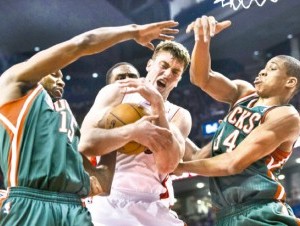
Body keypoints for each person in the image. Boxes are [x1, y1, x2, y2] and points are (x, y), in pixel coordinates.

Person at [0, 20, 180, 225]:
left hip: (75, 210)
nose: (61, 80)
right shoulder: (13, 84)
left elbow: (101, 184)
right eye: (54, 74)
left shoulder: (67, 121)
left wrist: (120, 131)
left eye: (62, 76)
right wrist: (133, 31)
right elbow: (83, 43)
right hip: (29, 203)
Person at [175, 15, 300, 225]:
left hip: (261, 212)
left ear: (290, 82)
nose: (262, 71)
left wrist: (179, 167)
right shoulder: (243, 93)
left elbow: (233, 163)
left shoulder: (285, 115)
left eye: (272, 69)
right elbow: (201, 78)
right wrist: (202, 40)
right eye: (264, 67)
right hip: (226, 214)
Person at [79, 40, 192, 226]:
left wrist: (158, 107)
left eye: (175, 72)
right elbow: (86, 143)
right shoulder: (118, 92)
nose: (167, 74)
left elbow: (167, 166)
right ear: (149, 65)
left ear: (178, 80)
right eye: (163, 65)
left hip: (153, 203)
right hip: (111, 200)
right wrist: (131, 132)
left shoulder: (180, 115)